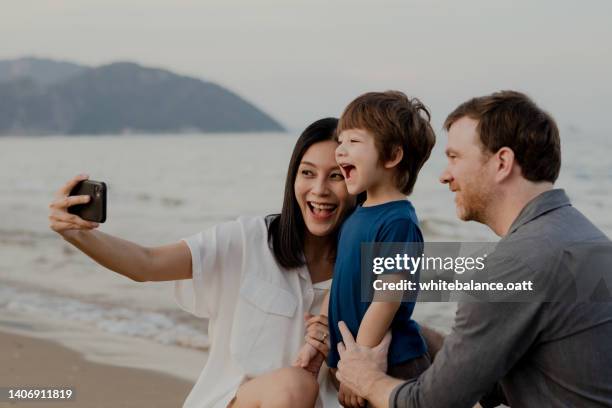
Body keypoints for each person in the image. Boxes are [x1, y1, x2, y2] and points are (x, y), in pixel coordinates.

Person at [48, 118, 356, 408]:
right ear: (292, 178)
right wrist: (78, 236)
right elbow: (148, 263)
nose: (319, 190)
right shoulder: (248, 239)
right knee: (294, 385)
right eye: (307, 173)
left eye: (336, 176)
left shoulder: (372, 264)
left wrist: (337, 361)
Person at [334, 90, 612, 407]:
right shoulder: (585, 239)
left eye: (454, 158)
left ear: (502, 163)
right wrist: (414, 334)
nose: (444, 176)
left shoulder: (514, 265)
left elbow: (429, 404)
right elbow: (513, 373)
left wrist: (364, 377)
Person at [296, 91, 436, 407]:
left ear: (391, 157)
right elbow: (342, 280)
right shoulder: (359, 215)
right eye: (340, 141)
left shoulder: (398, 221)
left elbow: (386, 300)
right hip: (356, 360)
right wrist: (318, 341)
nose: (340, 151)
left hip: (392, 365)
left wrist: (358, 368)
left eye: (353, 143)